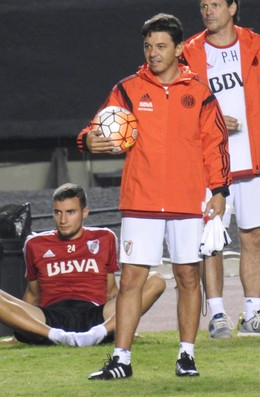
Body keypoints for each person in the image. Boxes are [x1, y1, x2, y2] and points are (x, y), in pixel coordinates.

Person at [77, 13, 231, 379]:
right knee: (131, 280)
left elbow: (216, 146)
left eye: (161, 46)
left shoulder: (200, 93)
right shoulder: (128, 88)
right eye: (148, 46)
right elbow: (100, 124)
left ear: (179, 49)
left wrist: (221, 190)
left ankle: (187, 355)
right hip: (140, 200)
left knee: (188, 278)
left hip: (187, 200)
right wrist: (87, 138)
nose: (153, 53)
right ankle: (121, 360)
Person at [0, 183, 166, 347]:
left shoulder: (105, 238)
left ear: (85, 212)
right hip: (50, 318)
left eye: (70, 212)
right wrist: (19, 333)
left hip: (95, 316)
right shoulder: (34, 244)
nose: (63, 220)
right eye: (58, 212)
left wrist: (125, 324)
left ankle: (99, 333)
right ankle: (56, 336)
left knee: (156, 281)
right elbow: (33, 294)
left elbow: (112, 292)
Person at [182, 0, 260, 338]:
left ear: (232, 7)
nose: (207, 11)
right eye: (203, 5)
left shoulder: (255, 46)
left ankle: (254, 313)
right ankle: (216, 314)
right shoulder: (188, 52)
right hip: (209, 163)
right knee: (210, 241)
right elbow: (178, 105)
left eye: (215, 4)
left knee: (253, 238)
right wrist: (209, 123)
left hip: (252, 161)